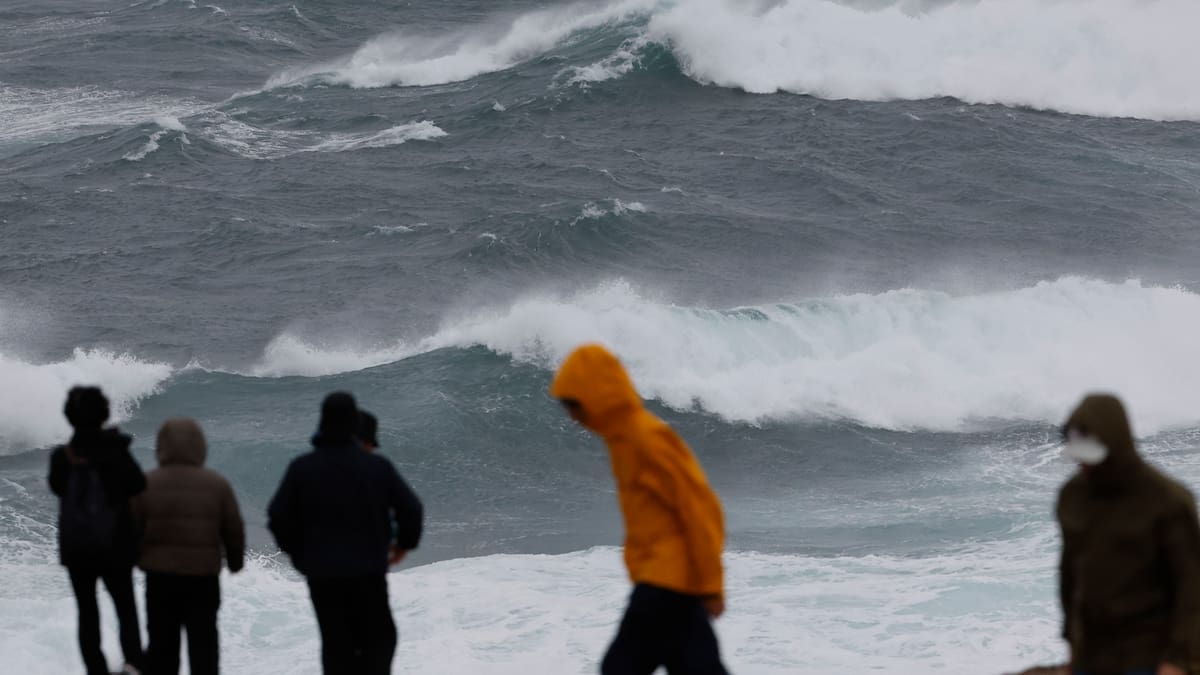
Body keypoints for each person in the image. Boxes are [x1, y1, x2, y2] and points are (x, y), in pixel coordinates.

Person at [550, 344, 729, 675]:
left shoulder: (646, 438)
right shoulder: (621, 439)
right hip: (669, 585)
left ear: (597, 396)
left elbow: (700, 508)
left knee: (619, 668)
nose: (572, 416)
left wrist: (711, 585)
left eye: (574, 405)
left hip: (666, 586)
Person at [267, 392, 424, 675]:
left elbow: (278, 517)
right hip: (368, 573)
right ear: (354, 424)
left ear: (323, 422)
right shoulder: (376, 466)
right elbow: (411, 509)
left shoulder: (302, 468)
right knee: (379, 640)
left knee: (336, 645)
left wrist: (301, 557)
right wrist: (403, 545)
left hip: (323, 576)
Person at [1057, 394, 1200, 675]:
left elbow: (1192, 585)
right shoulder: (1072, 497)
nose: (1083, 466)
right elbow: (1070, 575)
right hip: (1092, 653)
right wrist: (1073, 643)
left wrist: (1180, 660)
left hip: (1147, 653)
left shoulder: (1166, 501)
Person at [133, 418, 245, 675]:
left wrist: (138, 559)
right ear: (200, 446)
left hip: (160, 580)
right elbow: (233, 529)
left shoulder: (146, 484)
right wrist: (235, 562)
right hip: (202, 580)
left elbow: (130, 529)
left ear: (161, 446)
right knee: (203, 646)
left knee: (162, 648)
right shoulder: (216, 484)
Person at [48, 386, 147, 675]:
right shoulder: (116, 451)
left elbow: (57, 487)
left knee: (87, 611)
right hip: (116, 543)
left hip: (78, 547)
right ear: (103, 414)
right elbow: (137, 484)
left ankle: (96, 668)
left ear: (70, 417)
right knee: (125, 608)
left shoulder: (61, 456)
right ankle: (133, 665)